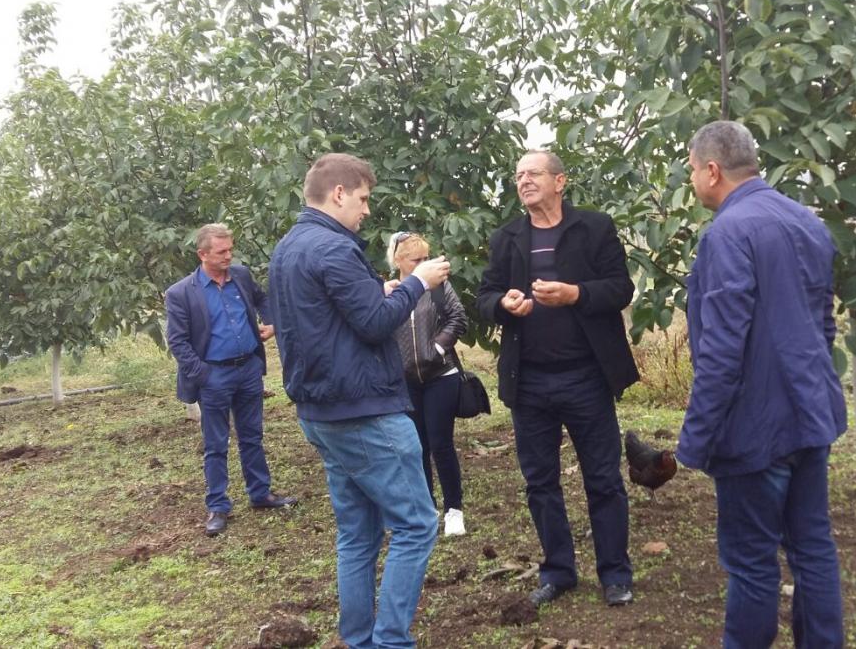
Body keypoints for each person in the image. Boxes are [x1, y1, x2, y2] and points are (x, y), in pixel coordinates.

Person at [267, 153, 452, 649]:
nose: (367, 210)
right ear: (339, 194)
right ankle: (391, 641)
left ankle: (358, 639)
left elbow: (329, 316)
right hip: (364, 411)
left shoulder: (288, 248)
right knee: (416, 525)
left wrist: (378, 291)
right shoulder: (334, 247)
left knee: (358, 534)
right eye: (364, 198)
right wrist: (416, 283)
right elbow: (374, 324)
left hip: (321, 410)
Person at [676, 120, 848, 648]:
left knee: (751, 560)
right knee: (812, 546)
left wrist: (695, 439)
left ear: (712, 170)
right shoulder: (806, 222)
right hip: (810, 414)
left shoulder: (728, 233)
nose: (691, 181)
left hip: (755, 427)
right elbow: (823, 324)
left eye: (691, 170)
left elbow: (722, 350)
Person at [476, 150, 638, 609]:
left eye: (533, 173)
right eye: (518, 175)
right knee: (540, 482)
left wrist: (575, 294)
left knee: (603, 478)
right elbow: (485, 296)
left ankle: (615, 574)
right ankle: (559, 572)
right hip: (529, 382)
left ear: (560, 181)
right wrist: (503, 304)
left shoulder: (594, 228)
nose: (524, 181)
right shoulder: (507, 238)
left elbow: (621, 288)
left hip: (586, 377)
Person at [163, 223, 297, 538]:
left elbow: (263, 300)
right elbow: (178, 342)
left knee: (252, 435)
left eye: (230, 249)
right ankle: (218, 506)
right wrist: (204, 375)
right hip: (214, 375)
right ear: (202, 254)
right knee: (215, 443)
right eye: (221, 251)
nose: (228, 256)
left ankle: (260, 493)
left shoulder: (241, 276)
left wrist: (271, 323)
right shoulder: (181, 293)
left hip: (248, 368)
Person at [388, 231, 470, 537]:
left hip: (441, 376)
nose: (423, 263)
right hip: (407, 380)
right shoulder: (391, 291)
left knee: (440, 443)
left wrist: (437, 347)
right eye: (416, 259)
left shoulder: (438, 286)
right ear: (398, 261)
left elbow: (458, 317)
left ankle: (454, 510)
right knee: (415, 446)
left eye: (426, 257)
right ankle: (427, 507)